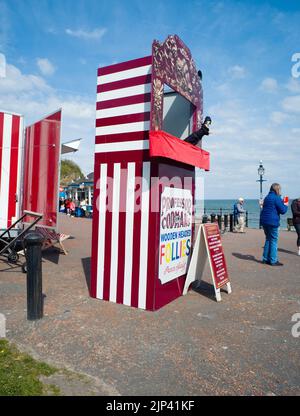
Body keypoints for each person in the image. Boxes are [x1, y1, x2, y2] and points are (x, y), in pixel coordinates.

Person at [260, 183, 288, 266]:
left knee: (268, 239)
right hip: (272, 222)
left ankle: (265, 259)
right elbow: (283, 211)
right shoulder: (277, 198)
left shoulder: (267, 197)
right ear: (277, 189)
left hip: (265, 221)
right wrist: (285, 205)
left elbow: (269, 208)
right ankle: (273, 260)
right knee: (274, 240)